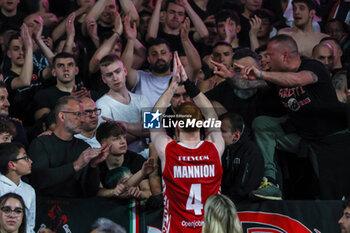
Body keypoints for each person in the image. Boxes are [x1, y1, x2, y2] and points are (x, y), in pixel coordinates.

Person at [238, 34, 350, 200]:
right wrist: (228, 76)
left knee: (332, 196)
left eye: (269, 55)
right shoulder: (278, 75)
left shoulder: (313, 66)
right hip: (302, 135)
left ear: (285, 56)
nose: (266, 59)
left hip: (330, 140)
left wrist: (262, 74)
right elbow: (248, 84)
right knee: (262, 124)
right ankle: (271, 182)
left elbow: (296, 79)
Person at [151, 51, 224, 232]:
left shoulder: (167, 149)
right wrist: (190, 85)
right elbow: (211, 113)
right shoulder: (214, 147)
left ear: (176, 126)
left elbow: (152, 121)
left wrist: (173, 85)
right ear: (201, 124)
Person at [28, 96, 110, 197]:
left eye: (83, 114)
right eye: (77, 114)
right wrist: (75, 166)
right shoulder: (40, 144)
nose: (83, 120)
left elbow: (91, 192)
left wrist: (93, 166)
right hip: (48, 208)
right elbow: (39, 180)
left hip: (77, 208)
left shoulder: (84, 147)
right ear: (62, 116)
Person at [96, 54, 150, 157]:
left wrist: (123, 126)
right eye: (109, 75)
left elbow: (155, 129)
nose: (115, 78)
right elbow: (111, 143)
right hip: (122, 160)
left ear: (125, 71)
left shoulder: (143, 99)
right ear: (104, 79)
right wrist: (142, 130)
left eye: (117, 72)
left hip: (147, 156)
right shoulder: (101, 104)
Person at [95, 121, 153, 200]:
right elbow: (97, 192)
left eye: (124, 137)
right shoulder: (96, 163)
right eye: (116, 139)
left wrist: (139, 194)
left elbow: (148, 192)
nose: (123, 142)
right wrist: (113, 192)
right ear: (103, 144)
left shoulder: (136, 160)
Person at [219, 113, 264, 202]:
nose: (218, 135)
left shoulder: (251, 152)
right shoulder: (223, 148)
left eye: (223, 131)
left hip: (241, 206)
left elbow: (244, 189)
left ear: (236, 136)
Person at [0, 143, 35, 233]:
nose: (31, 161)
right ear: (12, 165)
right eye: (25, 158)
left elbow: (30, 225)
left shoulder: (29, 190)